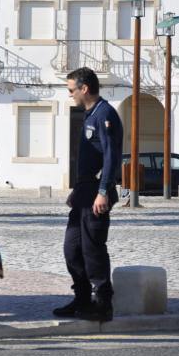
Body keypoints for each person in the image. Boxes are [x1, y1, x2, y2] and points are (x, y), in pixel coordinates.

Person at [54, 67, 122, 322]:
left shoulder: (105, 115)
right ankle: (82, 298)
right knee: (72, 248)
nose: (70, 94)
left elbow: (111, 157)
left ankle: (103, 303)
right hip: (84, 192)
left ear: (84, 88)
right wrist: (77, 191)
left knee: (92, 248)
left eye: (71, 89)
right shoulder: (90, 114)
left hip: (96, 192)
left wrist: (103, 192)